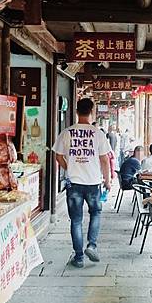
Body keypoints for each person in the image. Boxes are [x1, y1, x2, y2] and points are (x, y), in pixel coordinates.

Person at [53, 98, 112, 268]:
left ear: (77, 112)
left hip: (74, 184)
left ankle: (79, 258)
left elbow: (58, 156)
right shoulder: (98, 133)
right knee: (95, 213)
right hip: (93, 183)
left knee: (76, 220)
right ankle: (92, 245)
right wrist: (107, 180)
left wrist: (69, 168)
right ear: (92, 111)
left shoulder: (67, 132)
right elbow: (105, 160)